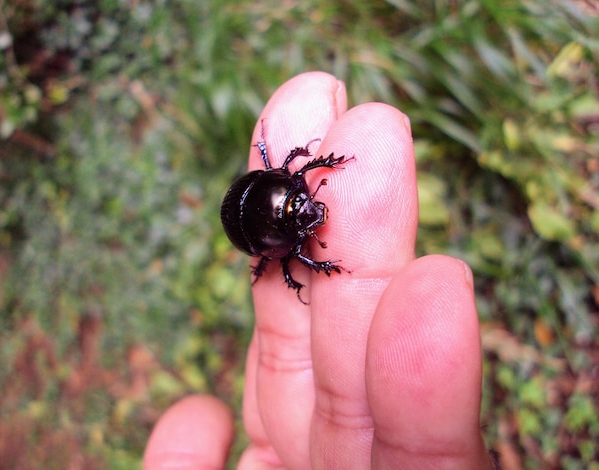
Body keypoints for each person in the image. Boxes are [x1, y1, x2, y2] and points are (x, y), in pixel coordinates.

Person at [143, 72, 498, 469]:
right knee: (294, 257)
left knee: (292, 220)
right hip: (251, 214)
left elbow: (292, 169)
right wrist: (317, 262)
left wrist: (322, 171)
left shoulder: (288, 188)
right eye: (301, 217)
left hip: (260, 202)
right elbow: (290, 253)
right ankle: (321, 260)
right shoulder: (281, 237)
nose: (312, 211)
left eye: (303, 205)